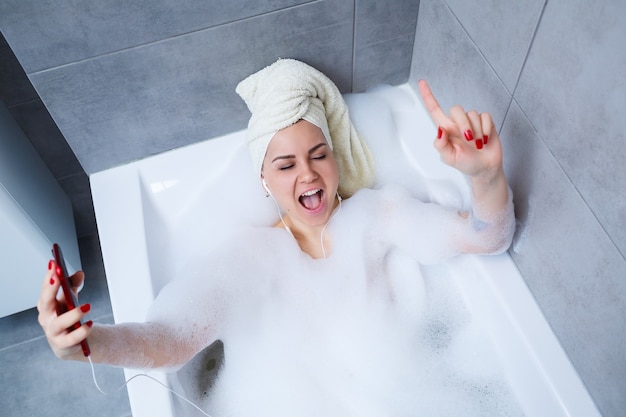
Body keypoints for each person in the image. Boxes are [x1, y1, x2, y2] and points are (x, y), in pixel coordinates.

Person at [37, 59, 515, 414]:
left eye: (318, 155)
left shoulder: (377, 213)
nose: (306, 175)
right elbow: (168, 342)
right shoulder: (249, 256)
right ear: (263, 180)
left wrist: (485, 178)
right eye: (285, 165)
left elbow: (486, 238)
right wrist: (87, 343)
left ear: (334, 159)